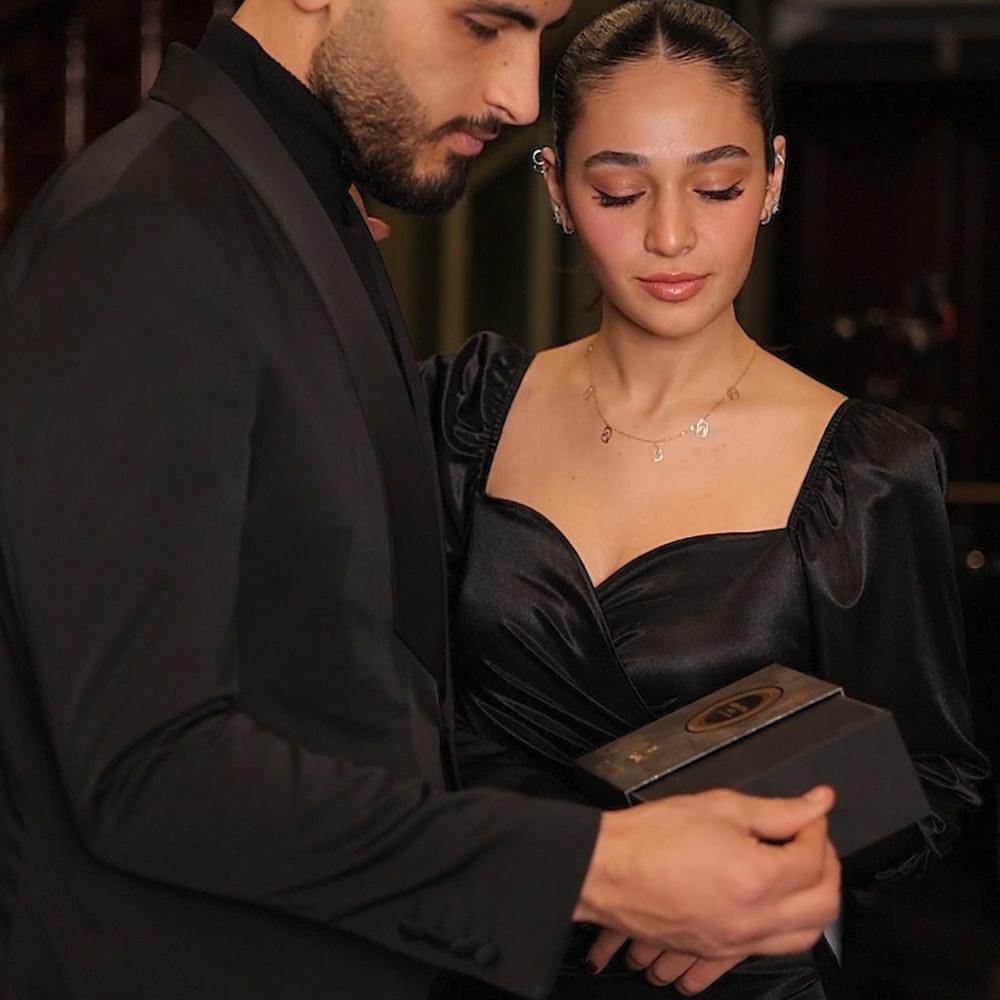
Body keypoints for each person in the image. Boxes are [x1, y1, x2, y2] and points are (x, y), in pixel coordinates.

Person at [0, 1, 843, 999]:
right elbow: (148, 770)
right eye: (482, 24)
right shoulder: (148, 232)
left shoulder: (295, 211)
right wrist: (598, 869)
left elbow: (353, 683)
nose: (519, 96)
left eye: (539, 33)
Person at [420, 1, 988, 997]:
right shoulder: (465, 413)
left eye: (717, 186)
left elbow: (930, 777)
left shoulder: (866, 469)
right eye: (619, 190)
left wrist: (768, 885)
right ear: (555, 187)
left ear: (772, 177)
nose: (672, 234)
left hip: (722, 974)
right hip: (484, 957)